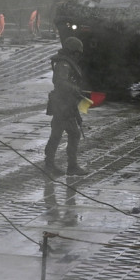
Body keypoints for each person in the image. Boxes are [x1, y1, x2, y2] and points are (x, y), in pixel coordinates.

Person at [45, 36, 89, 176]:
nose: (78, 56)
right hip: (61, 104)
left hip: (66, 104)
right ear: (72, 52)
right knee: (58, 135)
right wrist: (74, 89)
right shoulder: (64, 65)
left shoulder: (66, 63)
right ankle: (54, 165)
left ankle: (61, 165)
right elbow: (60, 82)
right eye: (76, 53)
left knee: (68, 134)